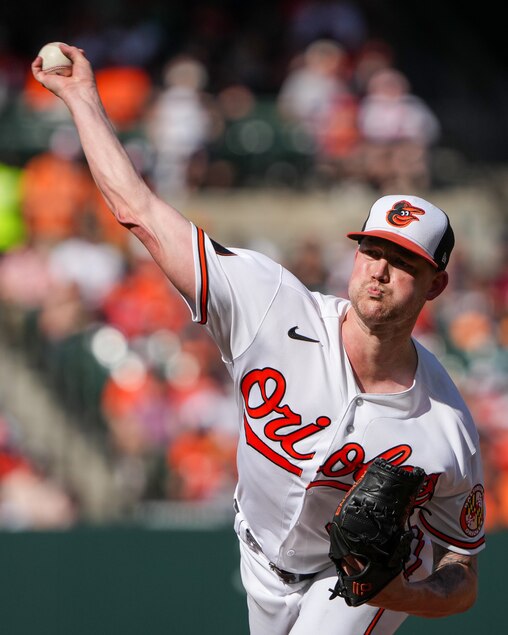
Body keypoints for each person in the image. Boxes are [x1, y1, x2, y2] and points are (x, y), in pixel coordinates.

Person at [32, 45, 485, 635]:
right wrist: (82, 99)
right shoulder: (270, 304)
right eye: (371, 251)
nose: (378, 270)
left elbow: (463, 573)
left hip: (351, 582)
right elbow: (138, 210)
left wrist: (404, 591)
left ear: (436, 285)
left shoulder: (445, 426)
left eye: (402, 262)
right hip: (259, 556)